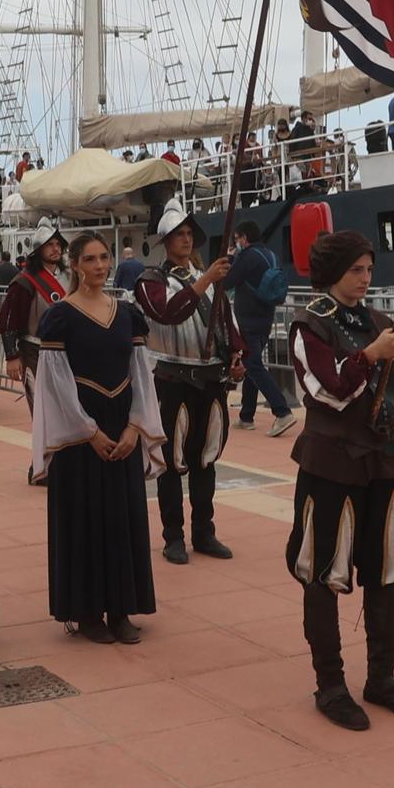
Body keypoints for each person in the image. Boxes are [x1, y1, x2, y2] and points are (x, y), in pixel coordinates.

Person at [287, 230, 394, 730]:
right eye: (356, 270)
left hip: (388, 466)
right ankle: (329, 685)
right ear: (333, 272)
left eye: (369, 270)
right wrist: (370, 355)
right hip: (333, 466)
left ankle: (382, 679)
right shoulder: (309, 325)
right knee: (324, 571)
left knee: (384, 568)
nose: (365, 279)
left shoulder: (379, 322)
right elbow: (326, 391)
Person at [31, 232, 164, 643]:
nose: (99, 266)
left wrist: (133, 427)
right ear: (74, 265)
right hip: (81, 436)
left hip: (121, 427)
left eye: (104, 257)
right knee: (84, 519)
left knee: (122, 517)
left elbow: (141, 373)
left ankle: (121, 609)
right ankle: (88, 613)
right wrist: (88, 432)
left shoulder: (128, 315)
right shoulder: (60, 316)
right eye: (89, 259)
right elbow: (53, 383)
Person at [133, 201, 244, 564]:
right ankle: (173, 537)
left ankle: (204, 532)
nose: (185, 239)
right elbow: (168, 312)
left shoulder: (209, 280)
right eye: (178, 234)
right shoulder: (151, 281)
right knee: (171, 461)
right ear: (165, 240)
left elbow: (225, 320)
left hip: (210, 379)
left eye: (188, 234)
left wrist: (236, 356)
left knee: (205, 458)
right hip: (172, 379)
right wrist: (206, 279)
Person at [0, 223, 69, 451]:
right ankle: (42, 466)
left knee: (64, 410)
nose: (55, 249)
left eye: (58, 244)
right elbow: (9, 320)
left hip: (64, 353)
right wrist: (12, 355)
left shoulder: (68, 277)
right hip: (34, 352)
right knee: (42, 410)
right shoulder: (25, 281)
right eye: (50, 245)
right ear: (39, 250)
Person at [227, 220, 297, 438]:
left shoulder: (246, 257)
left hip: (248, 320)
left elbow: (227, 281)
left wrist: (230, 258)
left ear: (244, 238)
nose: (236, 243)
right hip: (266, 319)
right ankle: (246, 416)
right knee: (252, 364)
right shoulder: (271, 255)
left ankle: (282, 411)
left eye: (237, 239)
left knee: (252, 364)